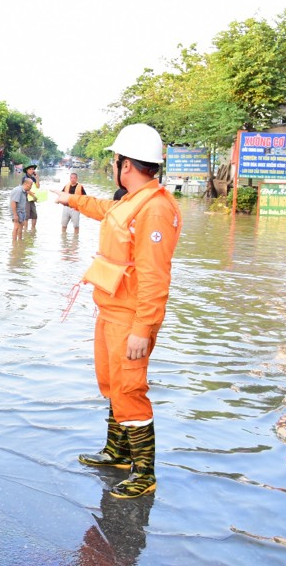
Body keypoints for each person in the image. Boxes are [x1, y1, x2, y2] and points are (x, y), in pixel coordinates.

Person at [55, 123, 182, 499]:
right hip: (111, 310)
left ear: (125, 164)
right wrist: (70, 200)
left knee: (130, 389)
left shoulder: (155, 210)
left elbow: (155, 277)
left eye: (115, 160)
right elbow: (106, 210)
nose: (115, 166)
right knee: (112, 384)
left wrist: (143, 328)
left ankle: (143, 472)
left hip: (131, 317)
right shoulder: (132, 200)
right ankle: (117, 452)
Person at [25, 164, 39, 230]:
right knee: (26, 216)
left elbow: (38, 186)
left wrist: (37, 178)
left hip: (32, 199)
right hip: (26, 199)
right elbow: (26, 189)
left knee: (34, 215)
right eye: (30, 169)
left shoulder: (33, 178)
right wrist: (34, 196)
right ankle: (25, 230)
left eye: (33, 169)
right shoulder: (25, 178)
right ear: (27, 171)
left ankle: (33, 230)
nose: (31, 170)